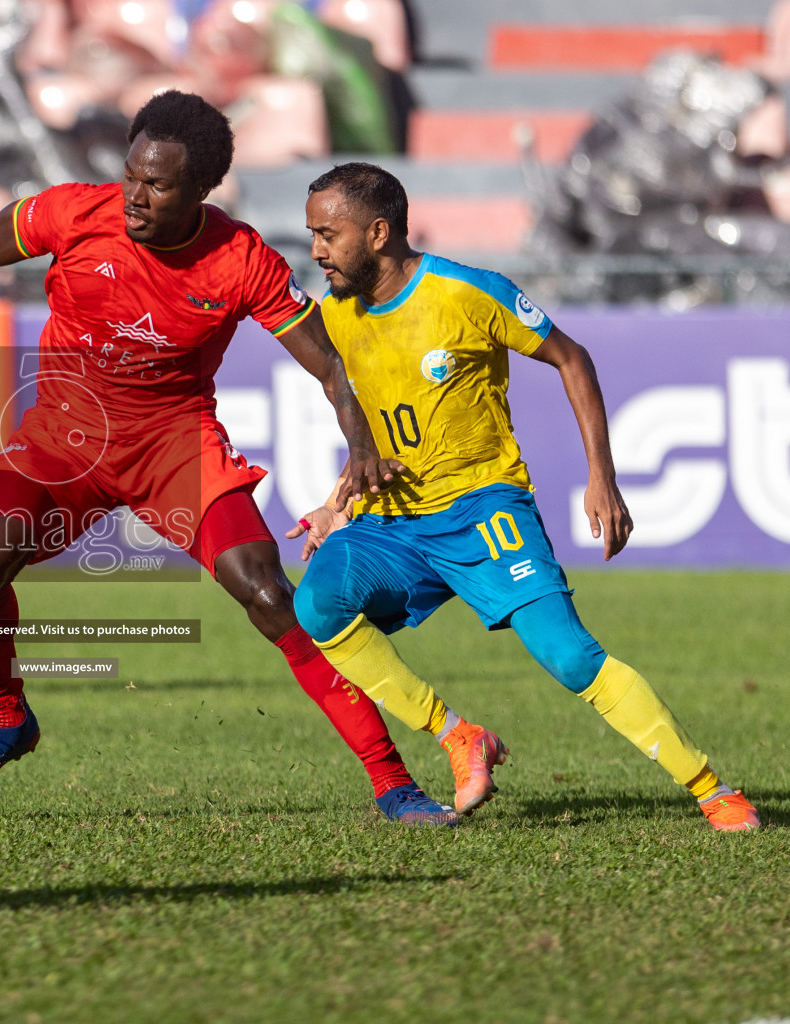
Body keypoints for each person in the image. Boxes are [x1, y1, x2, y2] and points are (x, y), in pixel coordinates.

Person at [0, 91, 458, 825]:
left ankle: (394, 786)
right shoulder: (72, 212)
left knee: (271, 596)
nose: (135, 197)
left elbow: (333, 369)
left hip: (173, 446)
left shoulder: (240, 258)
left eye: (158, 186)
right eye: (131, 176)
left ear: (203, 191)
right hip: (65, 437)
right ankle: (4, 721)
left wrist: (363, 449)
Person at [286, 161, 759, 831]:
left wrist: (603, 477)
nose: (316, 251)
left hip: (484, 509)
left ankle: (711, 789)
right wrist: (338, 502)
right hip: (393, 519)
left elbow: (572, 358)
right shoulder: (336, 317)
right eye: (312, 235)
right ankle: (457, 735)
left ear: (380, 232)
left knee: (569, 658)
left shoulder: (466, 292)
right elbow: (372, 421)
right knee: (315, 603)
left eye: (328, 235)